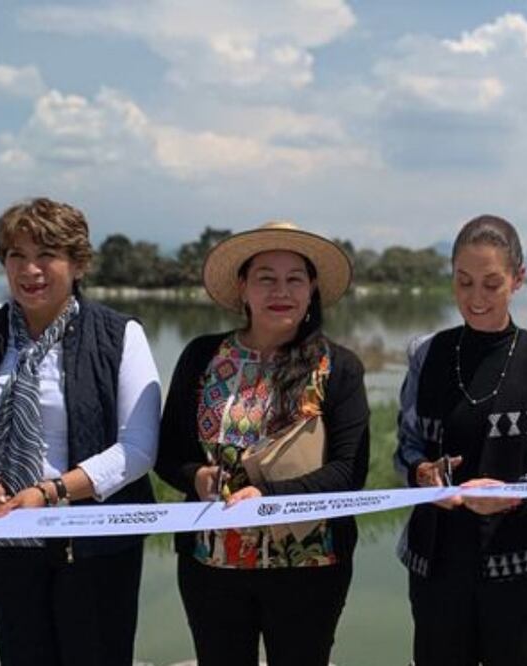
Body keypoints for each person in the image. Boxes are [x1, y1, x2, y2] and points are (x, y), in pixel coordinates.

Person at [155, 221, 370, 665]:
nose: (281, 291)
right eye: (266, 278)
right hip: (210, 565)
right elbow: (167, 453)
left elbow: (349, 472)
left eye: (294, 279)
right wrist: (196, 475)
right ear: (243, 288)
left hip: (310, 567)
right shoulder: (202, 357)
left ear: (312, 288)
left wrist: (268, 496)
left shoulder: (339, 367)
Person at [0, 197, 161, 665]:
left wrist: (52, 491)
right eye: (16, 255)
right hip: (6, 543)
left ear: (77, 264)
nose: (29, 269)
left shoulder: (120, 335)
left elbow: (137, 449)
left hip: (95, 547)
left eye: (46, 255)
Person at [393, 214, 527, 666]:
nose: (476, 298)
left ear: (518, 279)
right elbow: (406, 447)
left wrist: (509, 496)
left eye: (492, 284)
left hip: (520, 566)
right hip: (435, 562)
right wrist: (421, 473)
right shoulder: (425, 352)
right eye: (464, 281)